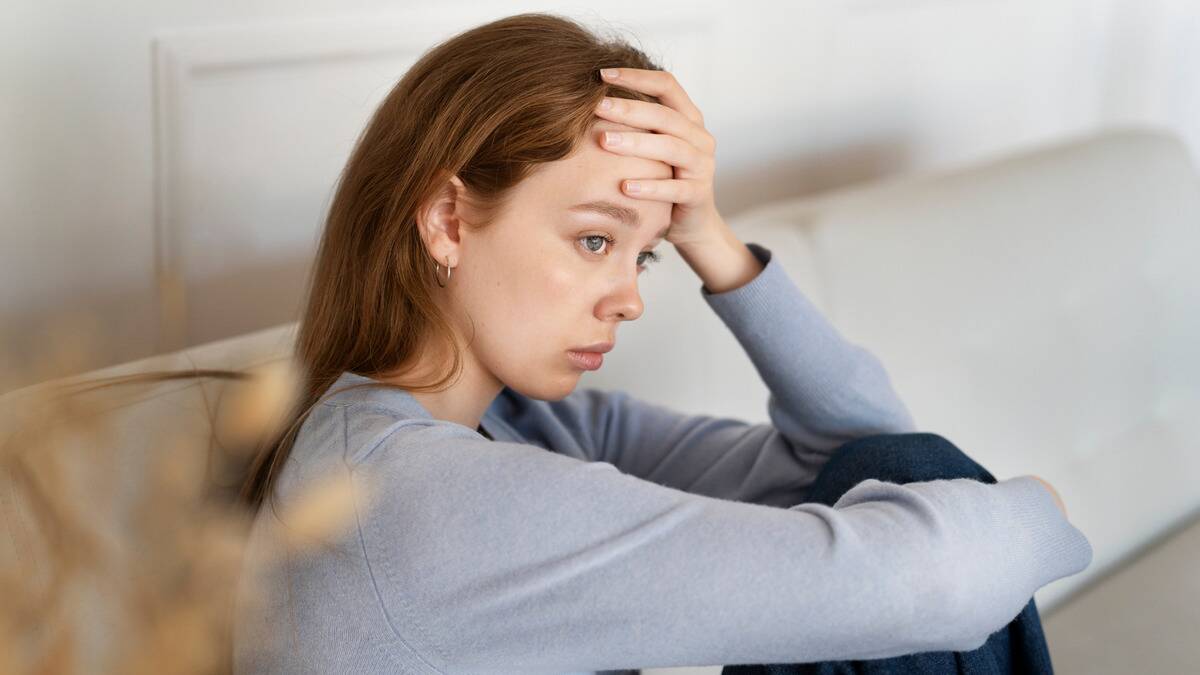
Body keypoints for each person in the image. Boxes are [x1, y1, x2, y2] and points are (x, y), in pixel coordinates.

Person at [230, 12, 1092, 674]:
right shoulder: (408, 495)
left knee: (908, 474)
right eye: (596, 240)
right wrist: (1041, 509)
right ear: (449, 219)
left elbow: (871, 448)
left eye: (646, 252)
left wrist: (710, 237)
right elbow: (928, 582)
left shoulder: (531, 427)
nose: (633, 297)